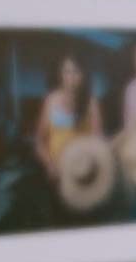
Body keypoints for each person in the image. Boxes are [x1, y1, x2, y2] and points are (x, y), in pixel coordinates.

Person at [34, 53, 102, 182]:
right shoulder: (51, 100)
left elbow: (97, 141)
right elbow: (39, 141)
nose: (71, 77)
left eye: (76, 71)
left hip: (83, 172)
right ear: (61, 74)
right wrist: (49, 164)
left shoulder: (91, 102)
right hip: (56, 173)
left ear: (83, 75)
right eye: (67, 71)